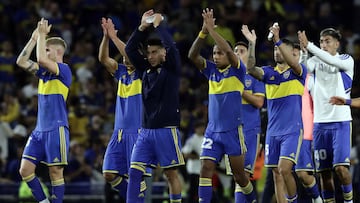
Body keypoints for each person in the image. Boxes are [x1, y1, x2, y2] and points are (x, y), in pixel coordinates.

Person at [188, 9, 256, 203]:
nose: (216, 56)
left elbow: (227, 49)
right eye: (214, 53)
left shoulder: (237, 70)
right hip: (212, 131)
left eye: (219, 54)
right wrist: (203, 32)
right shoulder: (211, 71)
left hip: (233, 132)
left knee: (239, 176)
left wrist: (213, 31)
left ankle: (251, 199)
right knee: (205, 168)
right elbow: (192, 55)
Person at [125, 10, 185, 203]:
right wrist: (142, 27)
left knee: (171, 175)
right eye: (149, 53)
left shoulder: (172, 68)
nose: (150, 56)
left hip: (166, 130)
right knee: (134, 172)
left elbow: (172, 48)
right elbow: (130, 49)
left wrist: (160, 26)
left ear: (163, 53)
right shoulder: (145, 70)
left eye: (154, 52)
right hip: (145, 132)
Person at [242, 23, 306, 203]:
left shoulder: (298, 72)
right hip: (272, 132)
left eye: (281, 50)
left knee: (285, 169)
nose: (277, 52)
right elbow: (251, 69)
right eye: (275, 50)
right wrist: (252, 44)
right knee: (277, 174)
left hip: (292, 130)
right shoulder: (269, 73)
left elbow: (293, 62)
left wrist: (277, 40)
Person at [16, 18, 72, 203]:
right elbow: (21, 61)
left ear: (58, 52)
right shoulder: (43, 73)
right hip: (39, 130)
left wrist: (42, 35)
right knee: (25, 170)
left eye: (47, 49)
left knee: (55, 171)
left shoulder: (64, 70)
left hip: (57, 129)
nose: (44, 52)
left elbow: (40, 59)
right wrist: (34, 38)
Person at [299, 28, 354, 203]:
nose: (324, 44)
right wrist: (303, 52)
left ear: (337, 44)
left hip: (341, 122)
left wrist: (310, 46)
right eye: (321, 41)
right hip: (320, 125)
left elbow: (329, 60)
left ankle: (349, 201)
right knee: (324, 173)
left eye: (327, 41)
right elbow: (302, 71)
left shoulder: (345, 60)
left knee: (341, 169)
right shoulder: (314, 61)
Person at [98, 17, 147, 201]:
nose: (125, 60)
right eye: (124, 58)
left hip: (136, 132)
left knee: (136, 178)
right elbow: (103, 58)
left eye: (129, 57)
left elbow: (129, 52)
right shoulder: (121, 72)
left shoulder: (145, 74)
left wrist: (114, 37)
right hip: (118, 133)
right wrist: (106, 37)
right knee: (109, 174)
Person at [232, 40, 265, 203]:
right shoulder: (228, 74)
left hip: (250, 129)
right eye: (235, 50)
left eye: (242, 50)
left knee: (243, 174)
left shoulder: (254, 75)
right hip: (231, 130)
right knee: (237, 176)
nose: (238, 52)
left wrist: (241, 91)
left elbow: (259, 102)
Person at [293, 44, 323, 203]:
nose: (294, 58)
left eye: (297, 55)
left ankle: (318, 200)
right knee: (280, 174)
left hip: (304, 131)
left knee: (303, 174)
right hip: (283, 130)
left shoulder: (309, 78)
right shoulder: (280, 76)